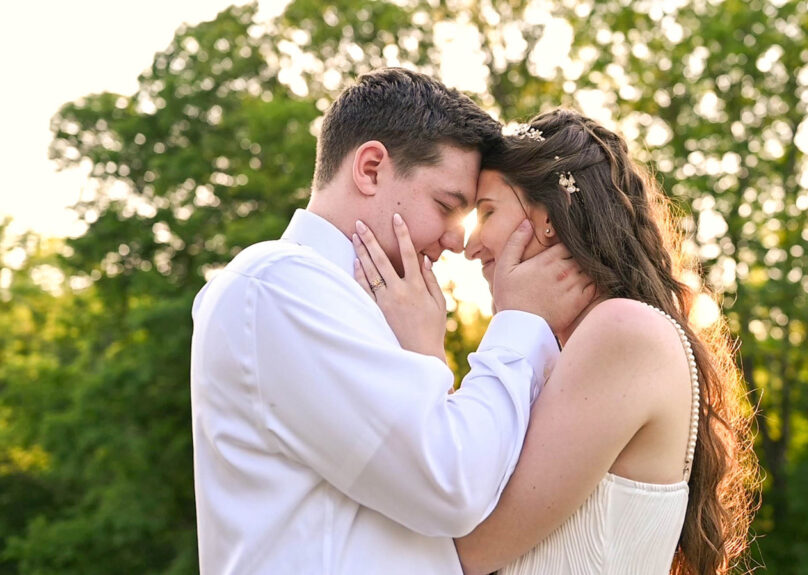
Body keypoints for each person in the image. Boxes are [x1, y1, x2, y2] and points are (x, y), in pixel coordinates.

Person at [190, 69, 594, 574]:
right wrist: (521, 323)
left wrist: (425, 357)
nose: (454, 242)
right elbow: (450, 486)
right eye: (446, 207)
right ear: (371, 168)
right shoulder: (279, 288)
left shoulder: (349, 301)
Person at [355, 109, 757, 575]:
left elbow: (463, 548)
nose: (470, 245)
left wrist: (424, 354)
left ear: (547, 218)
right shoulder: (573, 349)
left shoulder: (623, 331)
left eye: (486, 212)